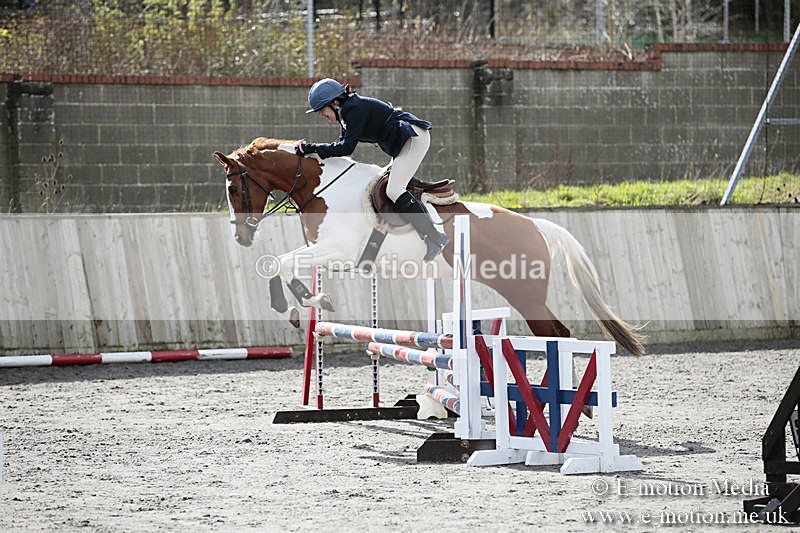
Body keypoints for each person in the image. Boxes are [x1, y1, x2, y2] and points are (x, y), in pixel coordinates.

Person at [295, 78, 450, 262]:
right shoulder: (347, 113)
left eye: (322, 110)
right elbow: (340, 146)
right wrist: (314, 152)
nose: (322, 115)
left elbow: (345, 148)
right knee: (382, 184)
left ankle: (434, 237)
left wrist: (312, 148)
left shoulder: (353, 110)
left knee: (394, 190)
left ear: (335, 103)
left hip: (413, 137)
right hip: (404, 140)